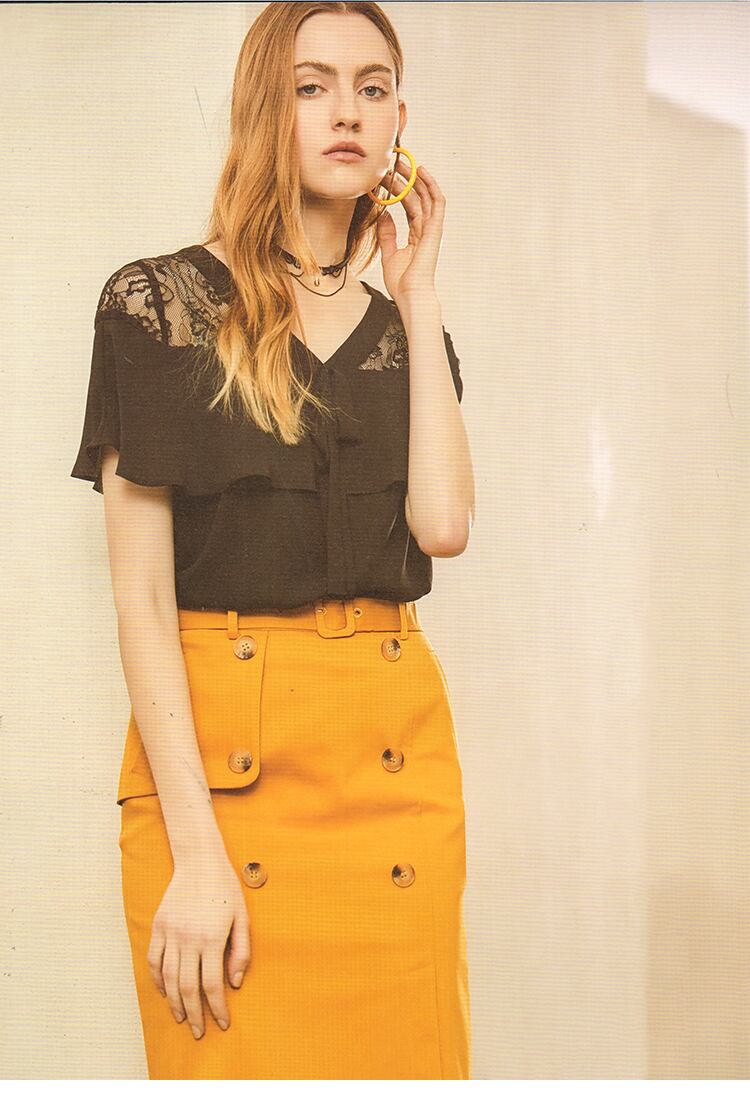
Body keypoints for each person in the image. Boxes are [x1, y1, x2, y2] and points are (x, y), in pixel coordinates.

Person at [70, 0, 475, 1080]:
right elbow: (142, 602)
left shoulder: (406, 331)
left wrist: (418, 290)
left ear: (399, 123)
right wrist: (196, 854)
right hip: (221, 779)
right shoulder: (156, 304)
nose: (347, 111)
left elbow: (442, 527)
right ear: (265, 109)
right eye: (312, 87)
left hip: (392, 770)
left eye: (373, 87)